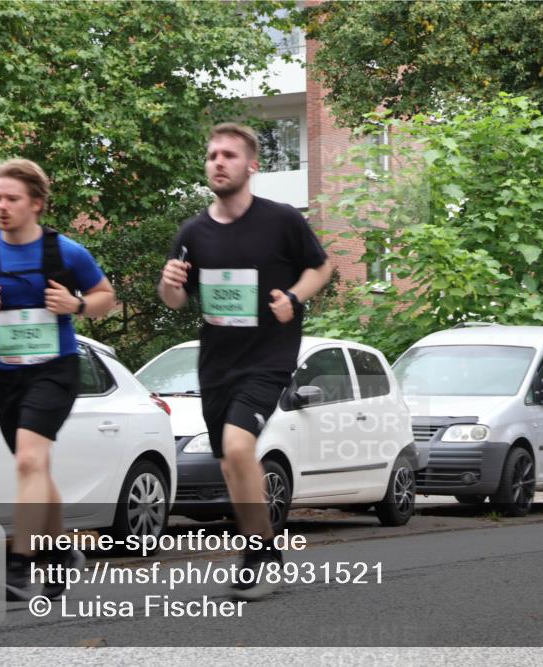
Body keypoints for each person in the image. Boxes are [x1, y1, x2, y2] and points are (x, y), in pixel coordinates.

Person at [160, 123, 332, 600]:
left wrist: (294, 299)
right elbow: (175, 301)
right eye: (212, 154)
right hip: (216, 364)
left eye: (229, 155)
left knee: (239, 448)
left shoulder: (280, 221)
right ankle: (266, 548)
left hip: (268, 358)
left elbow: (322, 266)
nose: (218, 162)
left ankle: (257, 555)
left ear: (252, 165)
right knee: (231, 463)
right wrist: (171, 284)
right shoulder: (193, 232)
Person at [0, 159, 116, 600]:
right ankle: (61, 553)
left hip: (55, 369)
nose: (1, 206)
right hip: (5, 375)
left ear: (35, 203)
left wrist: (75, 306)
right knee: (37, 466)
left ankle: (19, 565)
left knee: (29, 462)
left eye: (11, 199)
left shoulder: (66, 253)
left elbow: (106, 299)